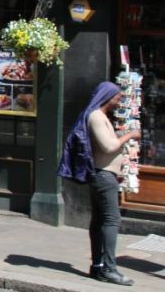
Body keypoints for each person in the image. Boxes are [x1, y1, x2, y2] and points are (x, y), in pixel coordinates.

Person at [59, 81, 141, 286]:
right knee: (112, 220)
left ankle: (98, 267)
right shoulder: (96, 116)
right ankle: (109, 269)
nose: (119, 101)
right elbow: (108, 146)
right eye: (117, 97)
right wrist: (130, 135)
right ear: (107, 97)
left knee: (99, 221)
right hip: (103, 176)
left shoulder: (100, 116)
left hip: (103, 175)